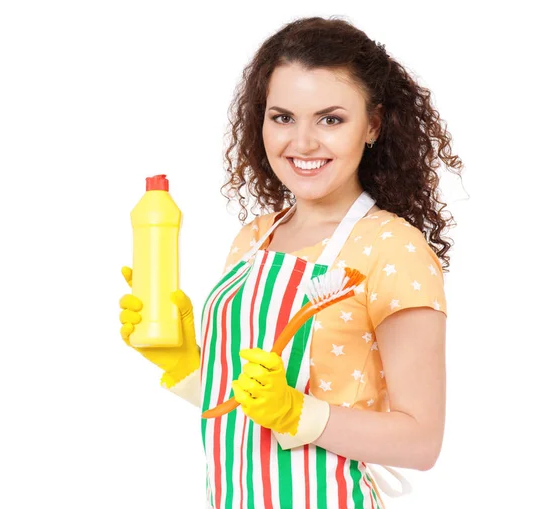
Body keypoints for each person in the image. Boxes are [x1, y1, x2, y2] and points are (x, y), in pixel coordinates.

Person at [119, 15, 462, 509]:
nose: (302, 143)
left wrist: (299, 413)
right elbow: (243, 411)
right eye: (283, 117)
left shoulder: (394, 248)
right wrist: (183, 363)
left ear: (374, 125)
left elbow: (421, 442)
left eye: (331, 119)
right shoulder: (255, 239)